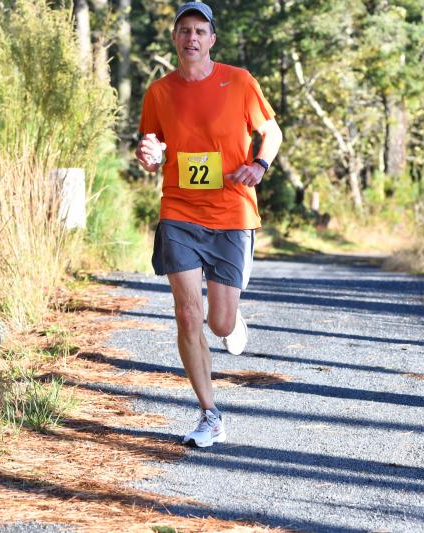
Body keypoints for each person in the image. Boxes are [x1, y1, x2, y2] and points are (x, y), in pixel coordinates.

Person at [135, 1, 282, 447]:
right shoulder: (158, 92)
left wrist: (259, 164)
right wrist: (148, 156)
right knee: (186, 312)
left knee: (218, 323)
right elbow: (151, 148)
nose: (192, 38)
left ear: (212, 39)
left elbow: (271, 131)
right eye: (184, 30)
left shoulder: (238, 82)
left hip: (232, 212)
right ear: (175, 38)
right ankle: (209, 412)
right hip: (179, 211)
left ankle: (232, 321)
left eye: (200, 30)